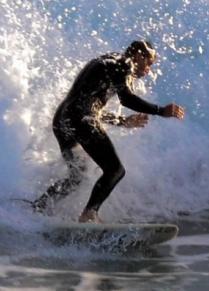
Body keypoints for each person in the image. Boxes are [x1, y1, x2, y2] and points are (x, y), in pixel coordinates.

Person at [31, 39, 185, 223]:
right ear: (138, 56)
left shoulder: (110, 63)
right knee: (115, 170)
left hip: (62, 119)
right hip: (80, 119)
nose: (148, 70)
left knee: (77, 176)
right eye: (149, 63)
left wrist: (122, 121)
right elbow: (126, 100)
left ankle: (38, 207)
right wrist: (160, 110)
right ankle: (89, 213)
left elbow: (90, 106)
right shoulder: (124, 64)